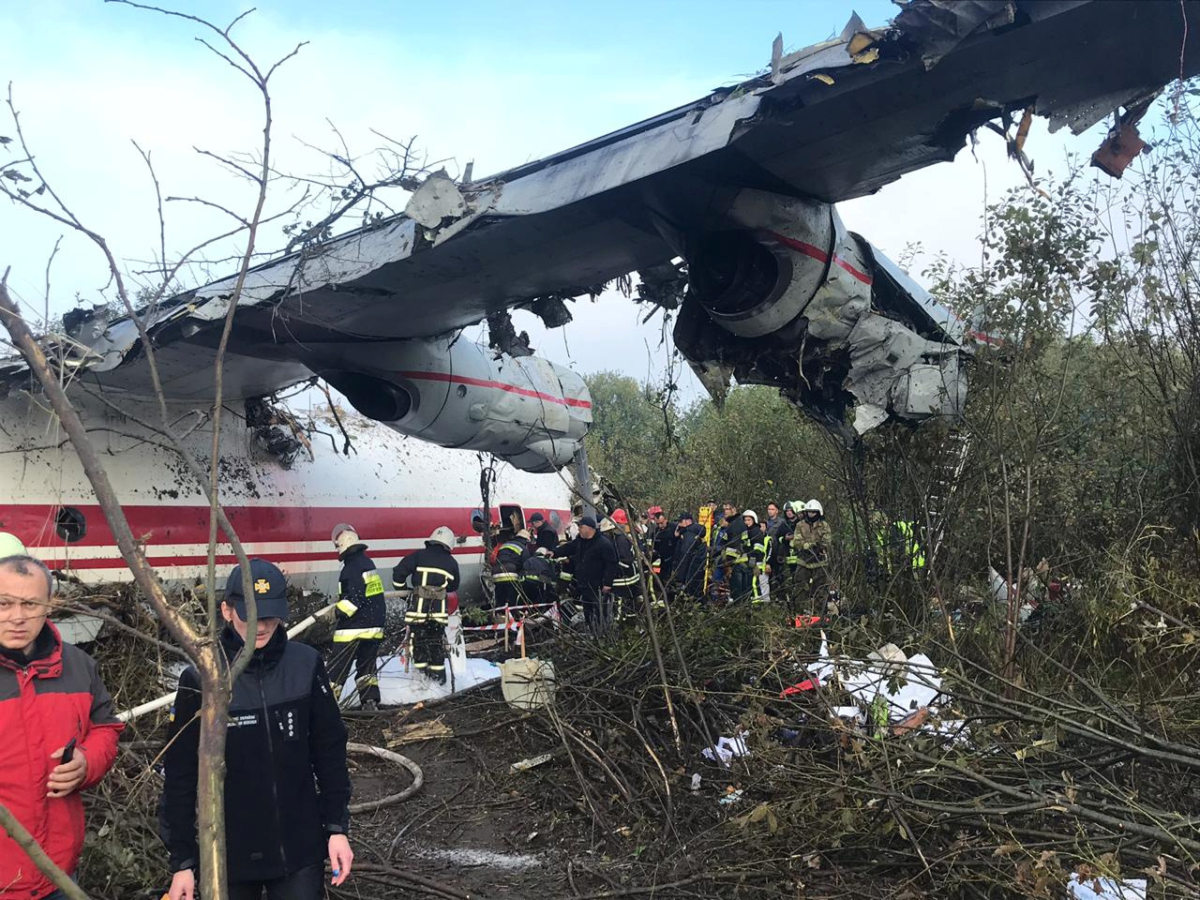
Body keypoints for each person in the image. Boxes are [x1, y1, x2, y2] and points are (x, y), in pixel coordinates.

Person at [163, 559, 353, 900]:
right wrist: (183, 861)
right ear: (226, 609)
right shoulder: (202, 679)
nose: (260, 627)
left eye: (269, 616)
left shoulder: (307, 665)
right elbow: (179, 773)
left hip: (298, 851)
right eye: (249, 616)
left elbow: (329, 751)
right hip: (227, 856)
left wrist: (336, 828)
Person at [0, 549, 123, 900]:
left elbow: (106, 729)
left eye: (30, 605)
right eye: (4, 604)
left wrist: (87, 761)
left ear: (50, 605)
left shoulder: (78, 666)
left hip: (59, 873)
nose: (16, 618)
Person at [328, 524, 387, 710]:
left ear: (342, 546)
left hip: (353, 628)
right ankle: (369, 701)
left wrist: (336, 612)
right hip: (374, 625)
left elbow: (354, 599)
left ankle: (326, 705)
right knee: (367, 667)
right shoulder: (367, 563)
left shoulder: (351, 568)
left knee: (336, 669)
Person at [393, 527, 460, 685]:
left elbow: (398, 573)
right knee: (436, 643)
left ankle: (421, 678)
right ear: (449, 545)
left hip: (418, 613)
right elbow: (453, 586)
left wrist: (405, 593)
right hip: (438, 615)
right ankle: (439, 681)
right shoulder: (451, 562)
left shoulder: (418, 556)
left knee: (419, 643)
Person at [572, 517, 618, 634]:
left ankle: (602, 634)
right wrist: (555, 552)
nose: (579, 530)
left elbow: (611, 565)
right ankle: (592, 631)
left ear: (589, 529)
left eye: (581, 527)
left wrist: (607, 583)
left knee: (599, 611)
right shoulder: (581, 541)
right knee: (588, 611)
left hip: (597, 585)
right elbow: (569, 547)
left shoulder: (603, 544)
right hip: (585, 584)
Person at [793, 500, 833, 606]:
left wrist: (819, 547)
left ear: (819, 513)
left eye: (813, 512)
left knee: (820, 588)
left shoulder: (824, 526)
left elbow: (827, 541)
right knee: (800, 587)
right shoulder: (800, 525)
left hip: (820, 562)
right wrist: (807, 546)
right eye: (809, 512)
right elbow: (796, 542)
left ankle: (820, 612)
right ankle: (800, 611)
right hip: (803, 561)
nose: (811, 514)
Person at [600, 516, 638, 622]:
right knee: (627, 601)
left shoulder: (620, 540)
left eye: (606, 532)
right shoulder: (618, 539)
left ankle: (619, 622)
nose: (605, 535)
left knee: (620, 599)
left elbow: (625, 560)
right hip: (626, 574)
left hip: (625, 576)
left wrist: (611, 568)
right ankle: (627, 621)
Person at [491, 529, 530, 610]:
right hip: (510, 573)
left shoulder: (505, 545)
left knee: (500, 598)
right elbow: (525, 564)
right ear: (526, 540)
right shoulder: (523, 548)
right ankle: (512, 617)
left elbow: (497, 558)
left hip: (496, 572)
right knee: (512, 598)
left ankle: (499, 616)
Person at [672, 517, 708, 602]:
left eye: (680, 521)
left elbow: (685, 557)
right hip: (696, 571)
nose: (679, 524)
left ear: (687, 521)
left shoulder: (688, 536)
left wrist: (679, 578)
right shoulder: (694, 534)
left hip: (690, 574)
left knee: (691, 595)